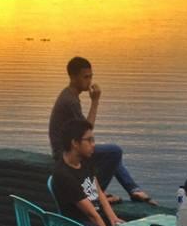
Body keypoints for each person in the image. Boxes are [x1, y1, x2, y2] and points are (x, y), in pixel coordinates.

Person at [48, 56, 154, 204]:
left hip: (71, 148)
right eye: (85, 77)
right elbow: (86, 130)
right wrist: (95, 101)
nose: (89, 81)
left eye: (91, 76)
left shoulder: (70, 96)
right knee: (114, 151)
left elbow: (83, 131)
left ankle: (133, 190)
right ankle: (95, 195)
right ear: (72, 77)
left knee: (112, 154)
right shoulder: (70, 101)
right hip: (64, 154)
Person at [51, 118, 123, 226]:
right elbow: (91, 214)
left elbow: (98, 191)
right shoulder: (63, 174)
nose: (93, 145)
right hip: (77, 223)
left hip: (94, 218)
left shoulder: (85, 161)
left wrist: (113, 218)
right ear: (75, 143)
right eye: (89, 140)